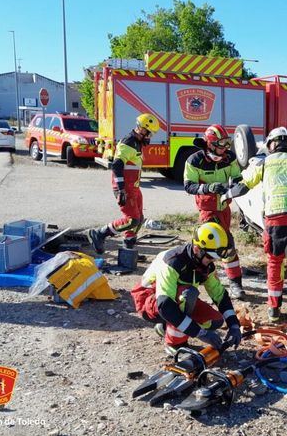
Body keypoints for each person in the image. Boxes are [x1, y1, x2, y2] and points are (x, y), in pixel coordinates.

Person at [226, 127, 287, 327]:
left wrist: (227, 194)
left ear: (271, 144)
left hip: (275, 224)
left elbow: (244, 185)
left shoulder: (264, 164)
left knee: (275, 264)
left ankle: (273, 313)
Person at [148, 222, 242, 355]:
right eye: (210, 257)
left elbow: (220, 295)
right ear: (197, 249)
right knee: (188, 296)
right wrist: (199, 333)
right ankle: (175, 345)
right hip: (149, 298)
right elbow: (165, 305)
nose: (212, 261)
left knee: (215, 320)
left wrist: (233, 324)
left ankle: (166, 326)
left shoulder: (203, 264)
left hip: (174, 298)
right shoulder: (173, 261)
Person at [183, 124, 245, 299]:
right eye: (221, 144)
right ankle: (198, 279)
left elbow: (238, 178)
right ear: (209, 144)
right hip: (207, 210)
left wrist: (235, 187)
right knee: (205, 247)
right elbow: (188, 186)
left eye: (227, 144)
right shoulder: (194, 161)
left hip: (224, 208)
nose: (225, 148)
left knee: (227, 245)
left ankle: (235, 283)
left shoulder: (229, 157)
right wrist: (208, 187)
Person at [87, 113, 159, 253]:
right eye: (150, 133)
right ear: (143, 130)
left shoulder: (137, 143)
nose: (150, 137)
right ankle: (100, 233)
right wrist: (121, 190)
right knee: (132, 220)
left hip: (134, 187)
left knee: (139, 218)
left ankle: (128, 243)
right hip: (125, 188)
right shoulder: (129, 142)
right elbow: (117, 165)